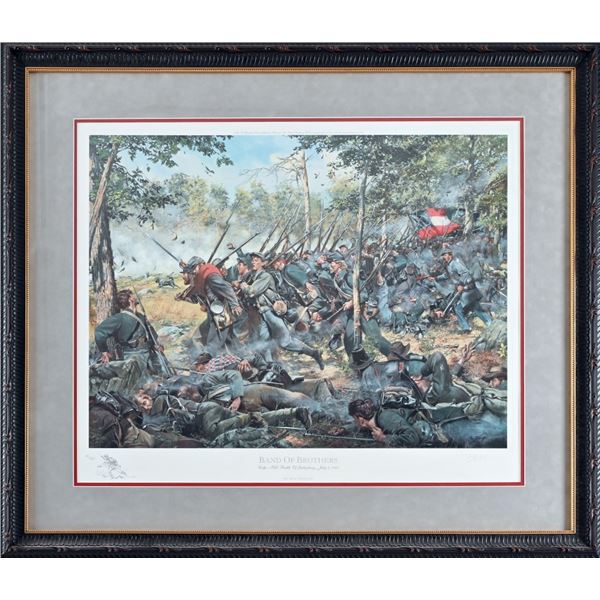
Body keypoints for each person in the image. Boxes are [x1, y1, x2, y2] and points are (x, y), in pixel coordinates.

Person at [240, 252, 324, 369]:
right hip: (263, 312)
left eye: (256, 260)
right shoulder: (256, 277)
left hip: (270, 312)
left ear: (263, 263)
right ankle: (270, 366)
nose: (253, 262)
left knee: (285, 342)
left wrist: (242, 285)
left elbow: (251, 291)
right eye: (253, 260)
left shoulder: (265, 276)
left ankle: (314, 353)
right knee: (264, 341)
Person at [91, 289, 165, 396]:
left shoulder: (141, 316)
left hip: (149, 352)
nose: (135, 296)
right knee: (140, 385)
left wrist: (156, 344)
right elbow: (99, 331)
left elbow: (151, 333)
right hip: (133, 354)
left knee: (162, 377)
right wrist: (104, 351)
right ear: (130, 299)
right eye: (132, 295)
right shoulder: (119, 318)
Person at [176, 255, 244, 354]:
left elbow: (226, 288)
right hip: (213, 311)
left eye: (194, 268)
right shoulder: (200, 279)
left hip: (220, 310)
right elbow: (196, 297)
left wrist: (235, 305)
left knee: (216, 339)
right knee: (229, 338)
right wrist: (183, 297)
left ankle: (209, 356)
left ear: (200, 265)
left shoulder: (210, 275)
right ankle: (245, 356)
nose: (193, 272)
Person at [437, 248, 492, 333]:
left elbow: (465, 273)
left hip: (468, 289)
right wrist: (436, 278)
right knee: (472, 308)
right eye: (443, 255)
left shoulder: (455, 264)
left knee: (462, 308)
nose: (443, 257)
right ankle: (484, 324)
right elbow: (446, 275)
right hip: (464, 291)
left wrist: (461, 284)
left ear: (450, 255)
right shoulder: (449, 266)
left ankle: (469, 327)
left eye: (445, 255)